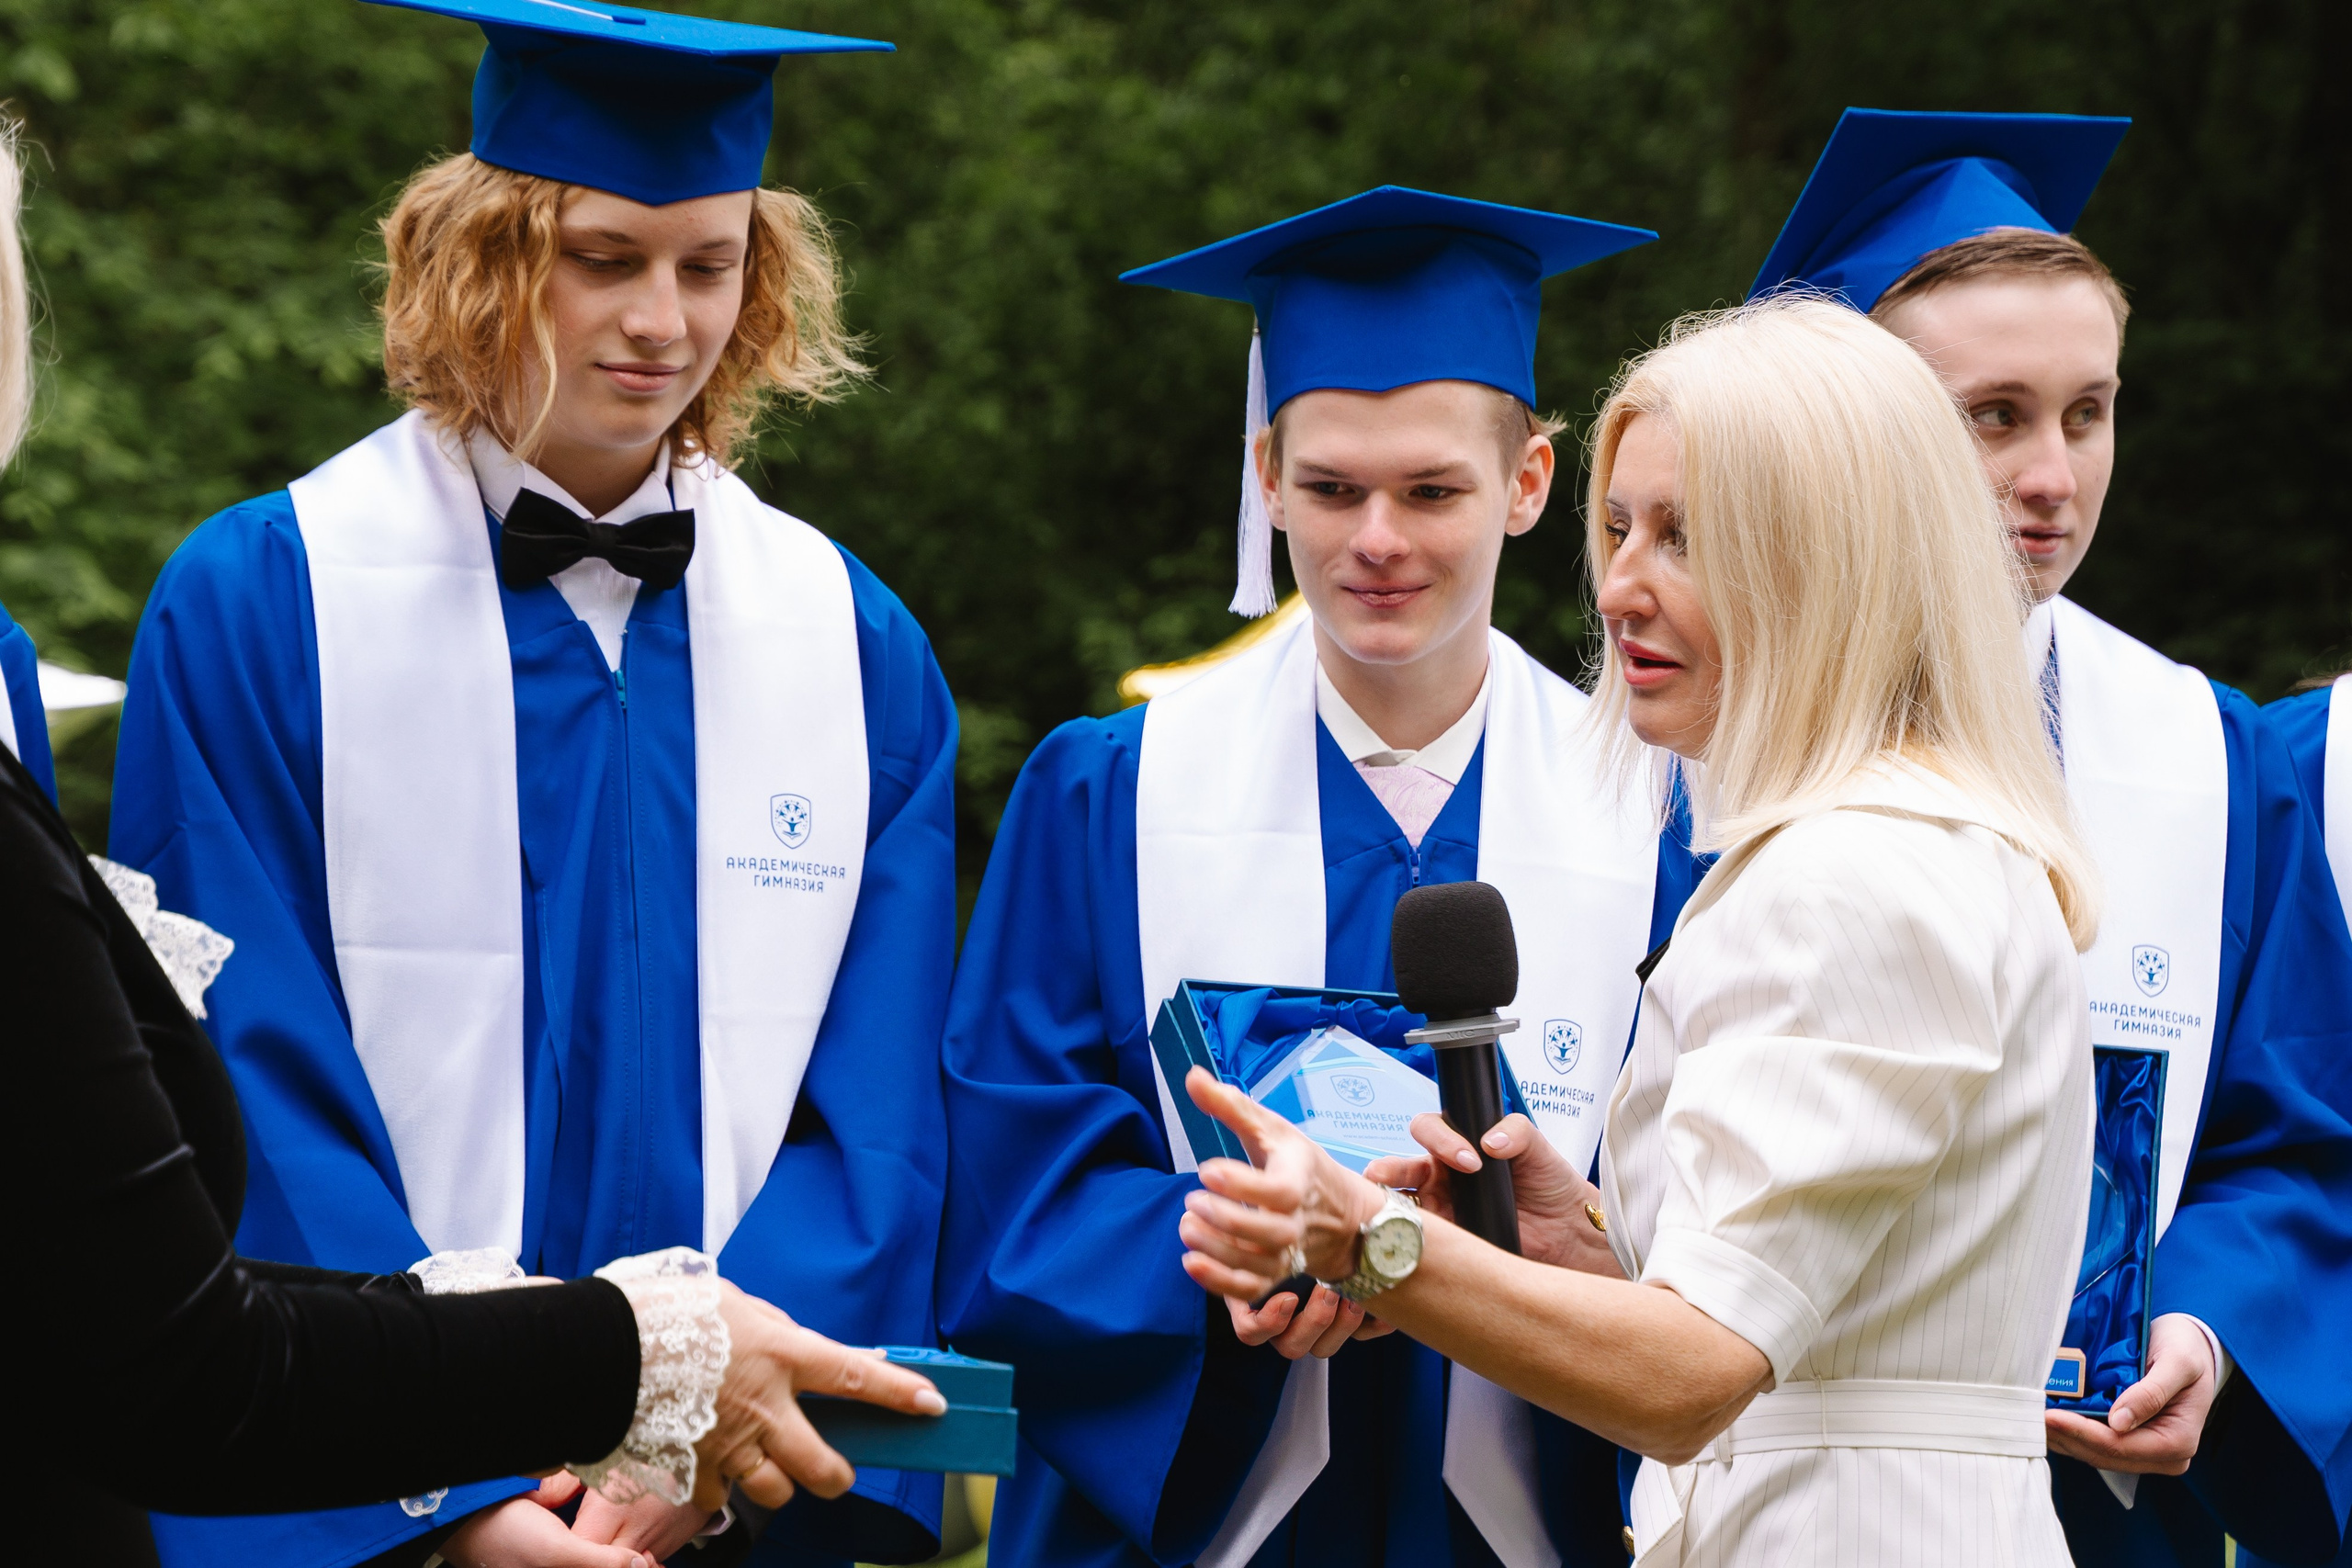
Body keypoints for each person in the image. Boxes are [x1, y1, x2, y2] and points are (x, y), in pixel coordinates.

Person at [0, 112, 947, 1568]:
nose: (664, 321)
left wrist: (705, 1431)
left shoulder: (853, 639)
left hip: (738, 1494)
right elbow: (247, 1082)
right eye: (604, 259)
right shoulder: (267, 600)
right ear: (486, 257)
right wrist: (456, 1497)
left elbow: (874, 1105)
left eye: (709, 266)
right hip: (396, 1495)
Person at [1180, 293, 2100, 1568]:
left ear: (1834, 556)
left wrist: (1372, 1242)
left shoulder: (1855, 874)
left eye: (1686, 537)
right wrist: (1595, 1249)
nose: (1619, 588)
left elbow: (1692, 1382)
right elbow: (1840, 1312)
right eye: (1617, 529)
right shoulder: (1902, 840)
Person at [936, 185, 1702, 1568]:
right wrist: (1230, 1245)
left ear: (1532, 483)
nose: (1378, 540)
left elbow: (1714, 1195)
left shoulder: (1658, 806)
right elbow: (1012, 1168)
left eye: (1432, 491)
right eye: (1334, 488)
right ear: (1266, 477)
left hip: (1534, 1518)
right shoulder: (1110, 793)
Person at [1751, 107, 2352, 1568]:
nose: (2053, 474)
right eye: (1995, 415)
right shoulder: (1692, 745)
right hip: (1774, 1475)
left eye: (2089, 412)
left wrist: (2204, 1325)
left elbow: (2288, 1138)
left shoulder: (2209, 752)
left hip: (2101, 1505)